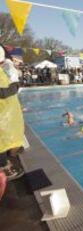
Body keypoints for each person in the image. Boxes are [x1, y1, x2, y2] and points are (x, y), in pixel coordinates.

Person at [0, 45, 25, 182]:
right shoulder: (7, 67)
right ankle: (4, 167)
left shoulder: (4, 69)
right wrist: (13, 88)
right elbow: (3, 92)